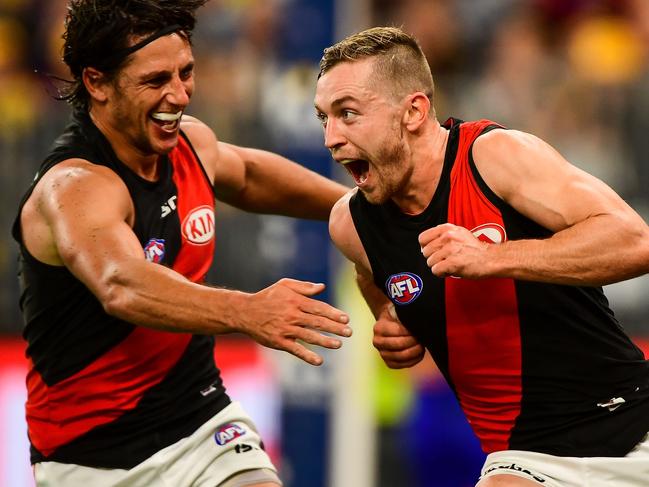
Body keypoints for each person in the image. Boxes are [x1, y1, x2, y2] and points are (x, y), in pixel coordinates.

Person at [12, 1, 353, 486]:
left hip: (201, 423)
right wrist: (247, 311)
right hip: (88, 459)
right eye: (155, 81)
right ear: (97, 83)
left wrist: (359, 209)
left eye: (186, 72)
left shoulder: (191, 146)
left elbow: (250, 175)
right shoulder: (75, 187)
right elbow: (120, 283)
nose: (179, 95)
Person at [316, 26, 649, 487]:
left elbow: (634, 241)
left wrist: (495, 258)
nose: (331, 137)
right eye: (323, 119)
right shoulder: (350, 224)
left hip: (634, 422)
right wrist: (388, 317)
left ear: (414, 111)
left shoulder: (494, 156)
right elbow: (370, 273)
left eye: (348, 114)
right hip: (524, 458)